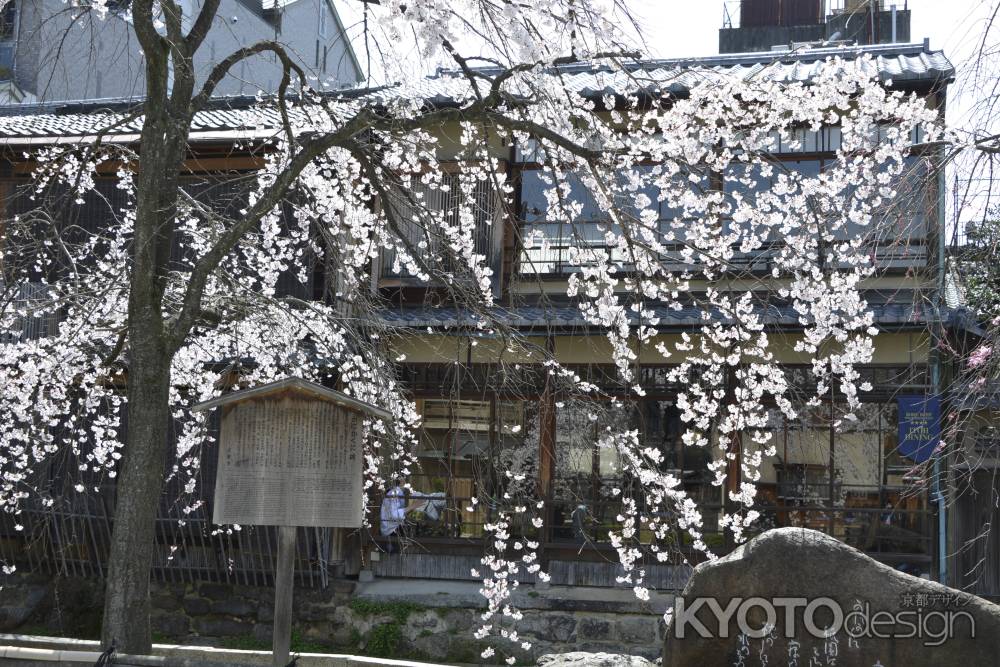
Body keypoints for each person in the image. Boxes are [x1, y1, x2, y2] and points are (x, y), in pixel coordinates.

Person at [380, 478, 407, 553]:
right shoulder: (396, 492)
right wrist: (411, 507)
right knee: (394, 550)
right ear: (401, 482)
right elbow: (395, 514)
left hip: (388, 526)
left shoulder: (392, 492)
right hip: (392, 527)